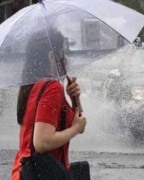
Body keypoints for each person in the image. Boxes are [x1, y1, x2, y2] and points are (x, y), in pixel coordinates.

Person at [11, 28, 87, 180]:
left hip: (24, 172)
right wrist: (76, 128)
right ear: (53, 56)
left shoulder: (32, 85)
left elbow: (78, 124)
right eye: (63, 52)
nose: (66, 57)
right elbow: (42, 142)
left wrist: (75, 100)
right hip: (42, 174)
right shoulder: (52, 88)